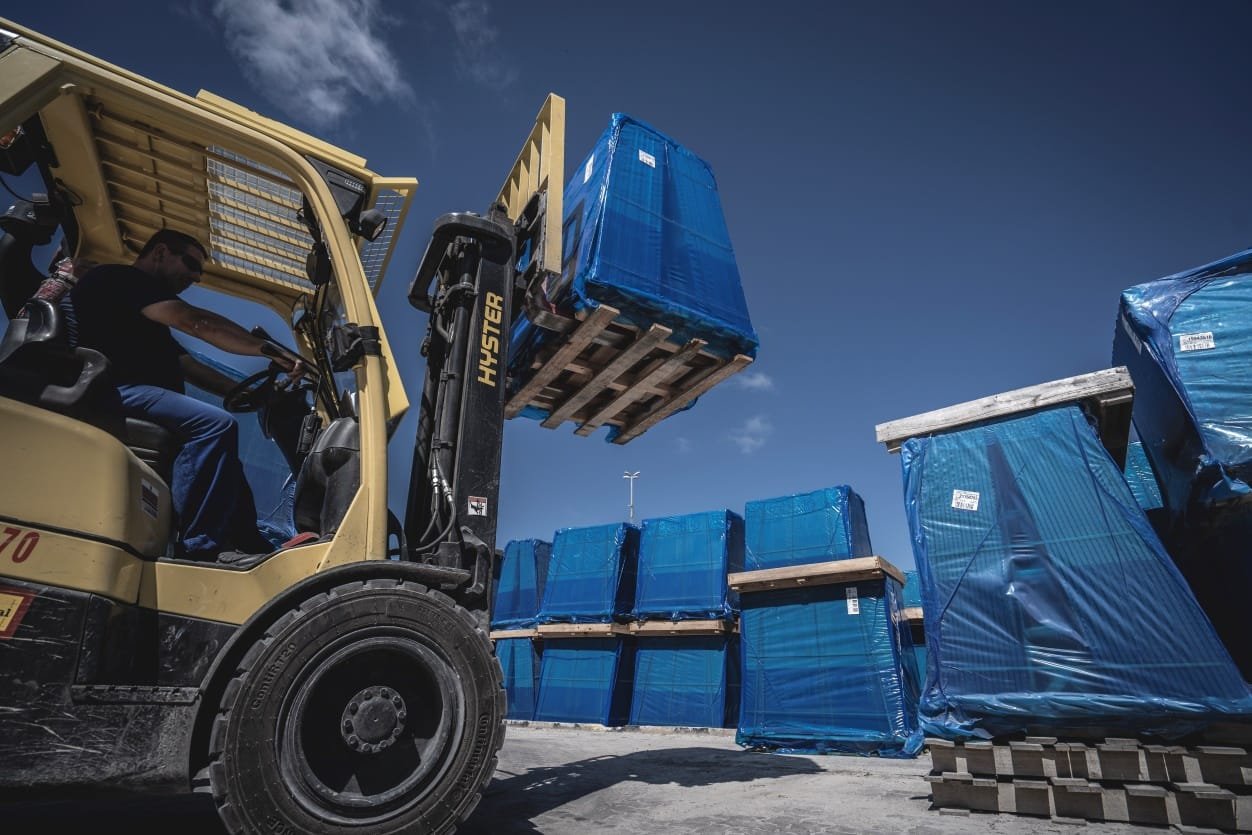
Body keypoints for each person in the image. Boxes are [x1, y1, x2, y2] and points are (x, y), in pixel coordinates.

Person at [68, 229, 304, 562]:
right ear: (161, 252)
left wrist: (253, 393)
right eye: (190, 264)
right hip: (111, 393)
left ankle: (251, 547)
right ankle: (200, 549)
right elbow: (196, 322)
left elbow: (187, 365)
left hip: (131, 395)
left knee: (224, 456)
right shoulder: (122, 280)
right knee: (214, 426)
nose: (194, 277)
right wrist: (266, 350)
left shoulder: (141, 313)